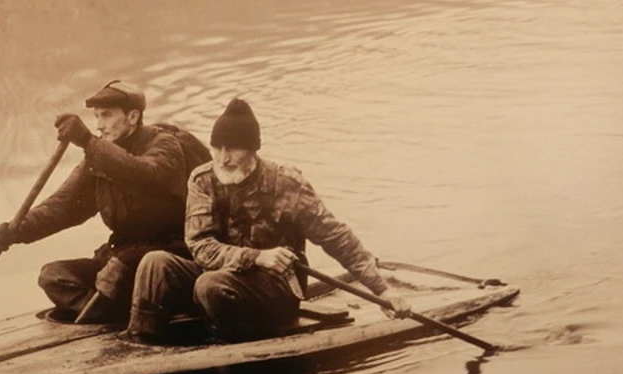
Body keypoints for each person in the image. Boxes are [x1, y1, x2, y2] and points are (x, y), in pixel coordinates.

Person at [127, 97, 411, 343]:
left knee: (209, 286)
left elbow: (336, 237)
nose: (223, 159)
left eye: (233, 149)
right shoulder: (202, 180)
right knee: (155, 263)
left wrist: (382, 290)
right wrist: (257, 257)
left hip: (275, 289)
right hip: (222, 278)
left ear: (253, 151)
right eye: (217, 148)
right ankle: (141, 343)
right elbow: (200, 246)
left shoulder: (287, 184)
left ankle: (227, 349)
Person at [0, 80, 189, 323]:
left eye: (106, 115)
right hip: (119, 254)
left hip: (166, 255)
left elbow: (143, 174)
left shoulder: (164, 144)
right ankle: (107, 314)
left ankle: (107, 310)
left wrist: (87, 141)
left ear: (133, 116)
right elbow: (62, 207)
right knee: (53, 276)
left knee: (117, 271)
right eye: (96, 117)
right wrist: (16, 229)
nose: (99, 125)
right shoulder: (98, 156)